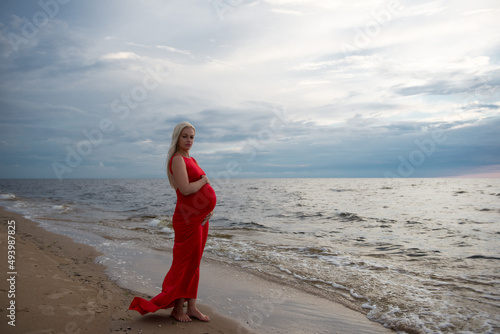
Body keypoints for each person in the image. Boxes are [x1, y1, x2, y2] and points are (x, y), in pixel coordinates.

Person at [129, 122, 216, 322]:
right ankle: (178, 309)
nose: (189, 140)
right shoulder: (177, 159)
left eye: (192, 137)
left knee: (194, 263)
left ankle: (192, 307)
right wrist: (204, 180)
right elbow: (185, 189)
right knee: (185, 263)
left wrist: (208, 210)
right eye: (185, 136)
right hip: (187, 219)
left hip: (200, 218)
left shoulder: (191, 158)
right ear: (177, 137)